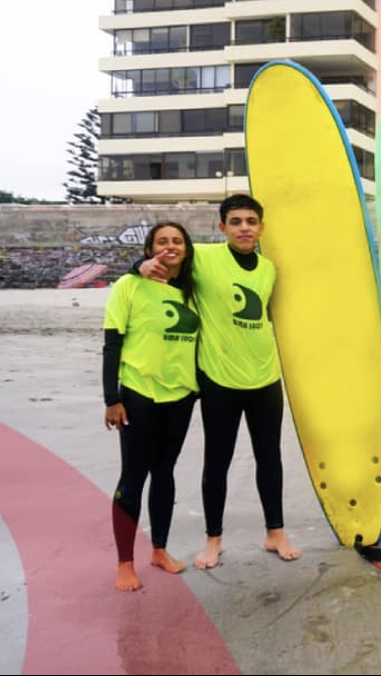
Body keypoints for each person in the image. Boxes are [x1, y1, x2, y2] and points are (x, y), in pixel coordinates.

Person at [139, 195, 300, 568]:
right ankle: (214, 540)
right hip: (219, 380)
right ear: (222, 227)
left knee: (269, 458)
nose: (244, 227)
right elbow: (165, 261)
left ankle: (274, 531)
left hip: (265, 377)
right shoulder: (205, 258)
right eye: (236, 221)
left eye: (251, 221)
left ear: (262, 228)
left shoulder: (269, 269)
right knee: (218, 461)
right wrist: (141, 263)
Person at [104, 222, 199, 591]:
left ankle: (159, 550)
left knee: (165, 472)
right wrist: (111, 398)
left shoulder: (194, 290)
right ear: (149, 249)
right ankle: (125, 563)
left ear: (187, 249)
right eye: (162, 241)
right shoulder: (129, 285)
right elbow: (112, 344)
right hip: (138, 393)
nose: (170, 246)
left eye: (177, 241)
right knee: (132, 477)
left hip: (181, 394)